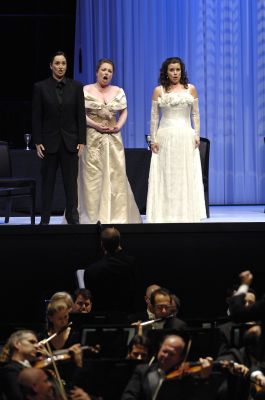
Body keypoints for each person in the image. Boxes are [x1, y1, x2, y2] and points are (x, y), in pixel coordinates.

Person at [77, 58, 142, 224]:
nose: (106, 73)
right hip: (92, 137)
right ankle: (92, 216)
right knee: (92, 176)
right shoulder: (86, 90)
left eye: (109, 71)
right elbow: (80, 114)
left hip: (113, 138)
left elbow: (124, 112)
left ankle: (116, 214)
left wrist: (119, 126)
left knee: (116, 175)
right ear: (97, 71)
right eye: (103, 70)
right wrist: (96, 125)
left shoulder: (118, 91)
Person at [146, 57, 206, 223]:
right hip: (165, 136)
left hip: (186, 136)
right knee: (167, 175)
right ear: (166, 72)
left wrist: (197, 135)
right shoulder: (159, 90)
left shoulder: (191, 89)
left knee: (185, 174)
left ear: (182, 71)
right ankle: (166, 214)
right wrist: (153, 139)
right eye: (172, 70)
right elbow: (154, 117)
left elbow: (195, 114)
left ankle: (185, 214)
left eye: (178, 70)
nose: (175, 73)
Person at [32, 50, 86, 225]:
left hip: (70, 143)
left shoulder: (76, 87)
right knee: (47, 183)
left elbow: (80, 115)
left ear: (66, 65)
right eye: (57, 63)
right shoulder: (40, 87)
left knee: (71, 185)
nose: (60, 66)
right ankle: (45, 220)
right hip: (49, 143)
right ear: (51, 66)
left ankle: (73, 219)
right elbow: (36, 116)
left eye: (63, 63)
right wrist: (38, 141)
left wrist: (82, 140)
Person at [121, 334, 213, 400]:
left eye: (171, 354)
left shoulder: (186, 377)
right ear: (159, 350)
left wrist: (204, 379)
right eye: (164, 351)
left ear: (180, 358)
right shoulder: (142, 371)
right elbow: (129, 396)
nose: (166, 356)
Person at [83, 227, 136, 316]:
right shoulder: (132, 264)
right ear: (119, 243)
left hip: (100, 318)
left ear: (102, 245)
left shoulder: (91, 270)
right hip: (126, 317)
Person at [0, 330, 39, 399]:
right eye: (32, 342)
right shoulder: (10, 370)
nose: (37, 346)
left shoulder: (32, 367)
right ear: (17, 344)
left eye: (36, 343)